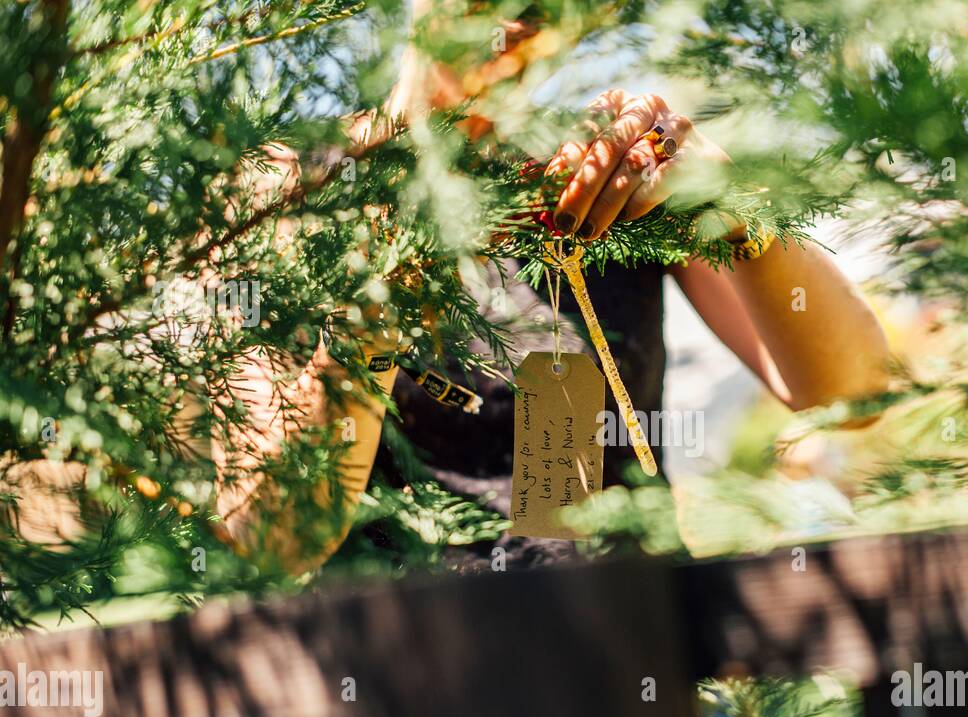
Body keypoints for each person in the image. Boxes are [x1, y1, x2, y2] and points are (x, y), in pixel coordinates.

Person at [1, 7, 890, 578]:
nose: (509, 31)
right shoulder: (292, 191)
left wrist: (735, 214)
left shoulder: (607, 181)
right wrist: (394, 266)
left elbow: (845, 394)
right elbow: (274, 530)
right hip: (396, 700)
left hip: (621, 671)